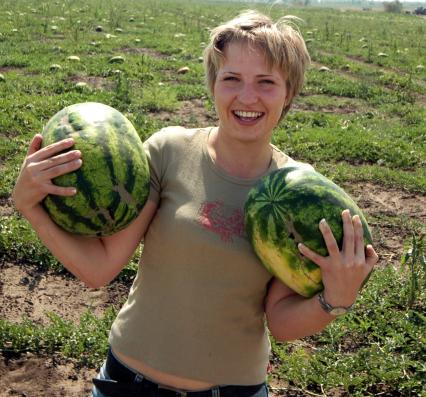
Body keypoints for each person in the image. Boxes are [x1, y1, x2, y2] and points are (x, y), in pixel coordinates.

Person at [12, 10, 378, 397]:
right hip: (127, 383)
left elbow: (282, 324)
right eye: (231, 78)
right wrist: (31, 207)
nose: (247, 97)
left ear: (289, 92)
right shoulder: (169, 151)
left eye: (266, 82)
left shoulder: (294, 191)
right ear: (214, 84)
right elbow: (98, 269)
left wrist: (336, 298)